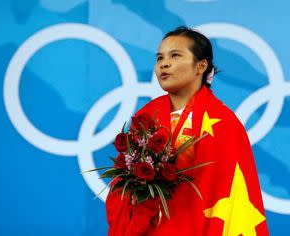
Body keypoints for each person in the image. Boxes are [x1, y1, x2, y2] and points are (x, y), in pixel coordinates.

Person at [106, 26, 269, 236]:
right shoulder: (147, 114)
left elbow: (232, 196)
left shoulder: (224, 123)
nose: (164, 64)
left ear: (200, 66)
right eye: (159, 58)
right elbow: (121, 180)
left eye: (175, 55)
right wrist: (135, 193)